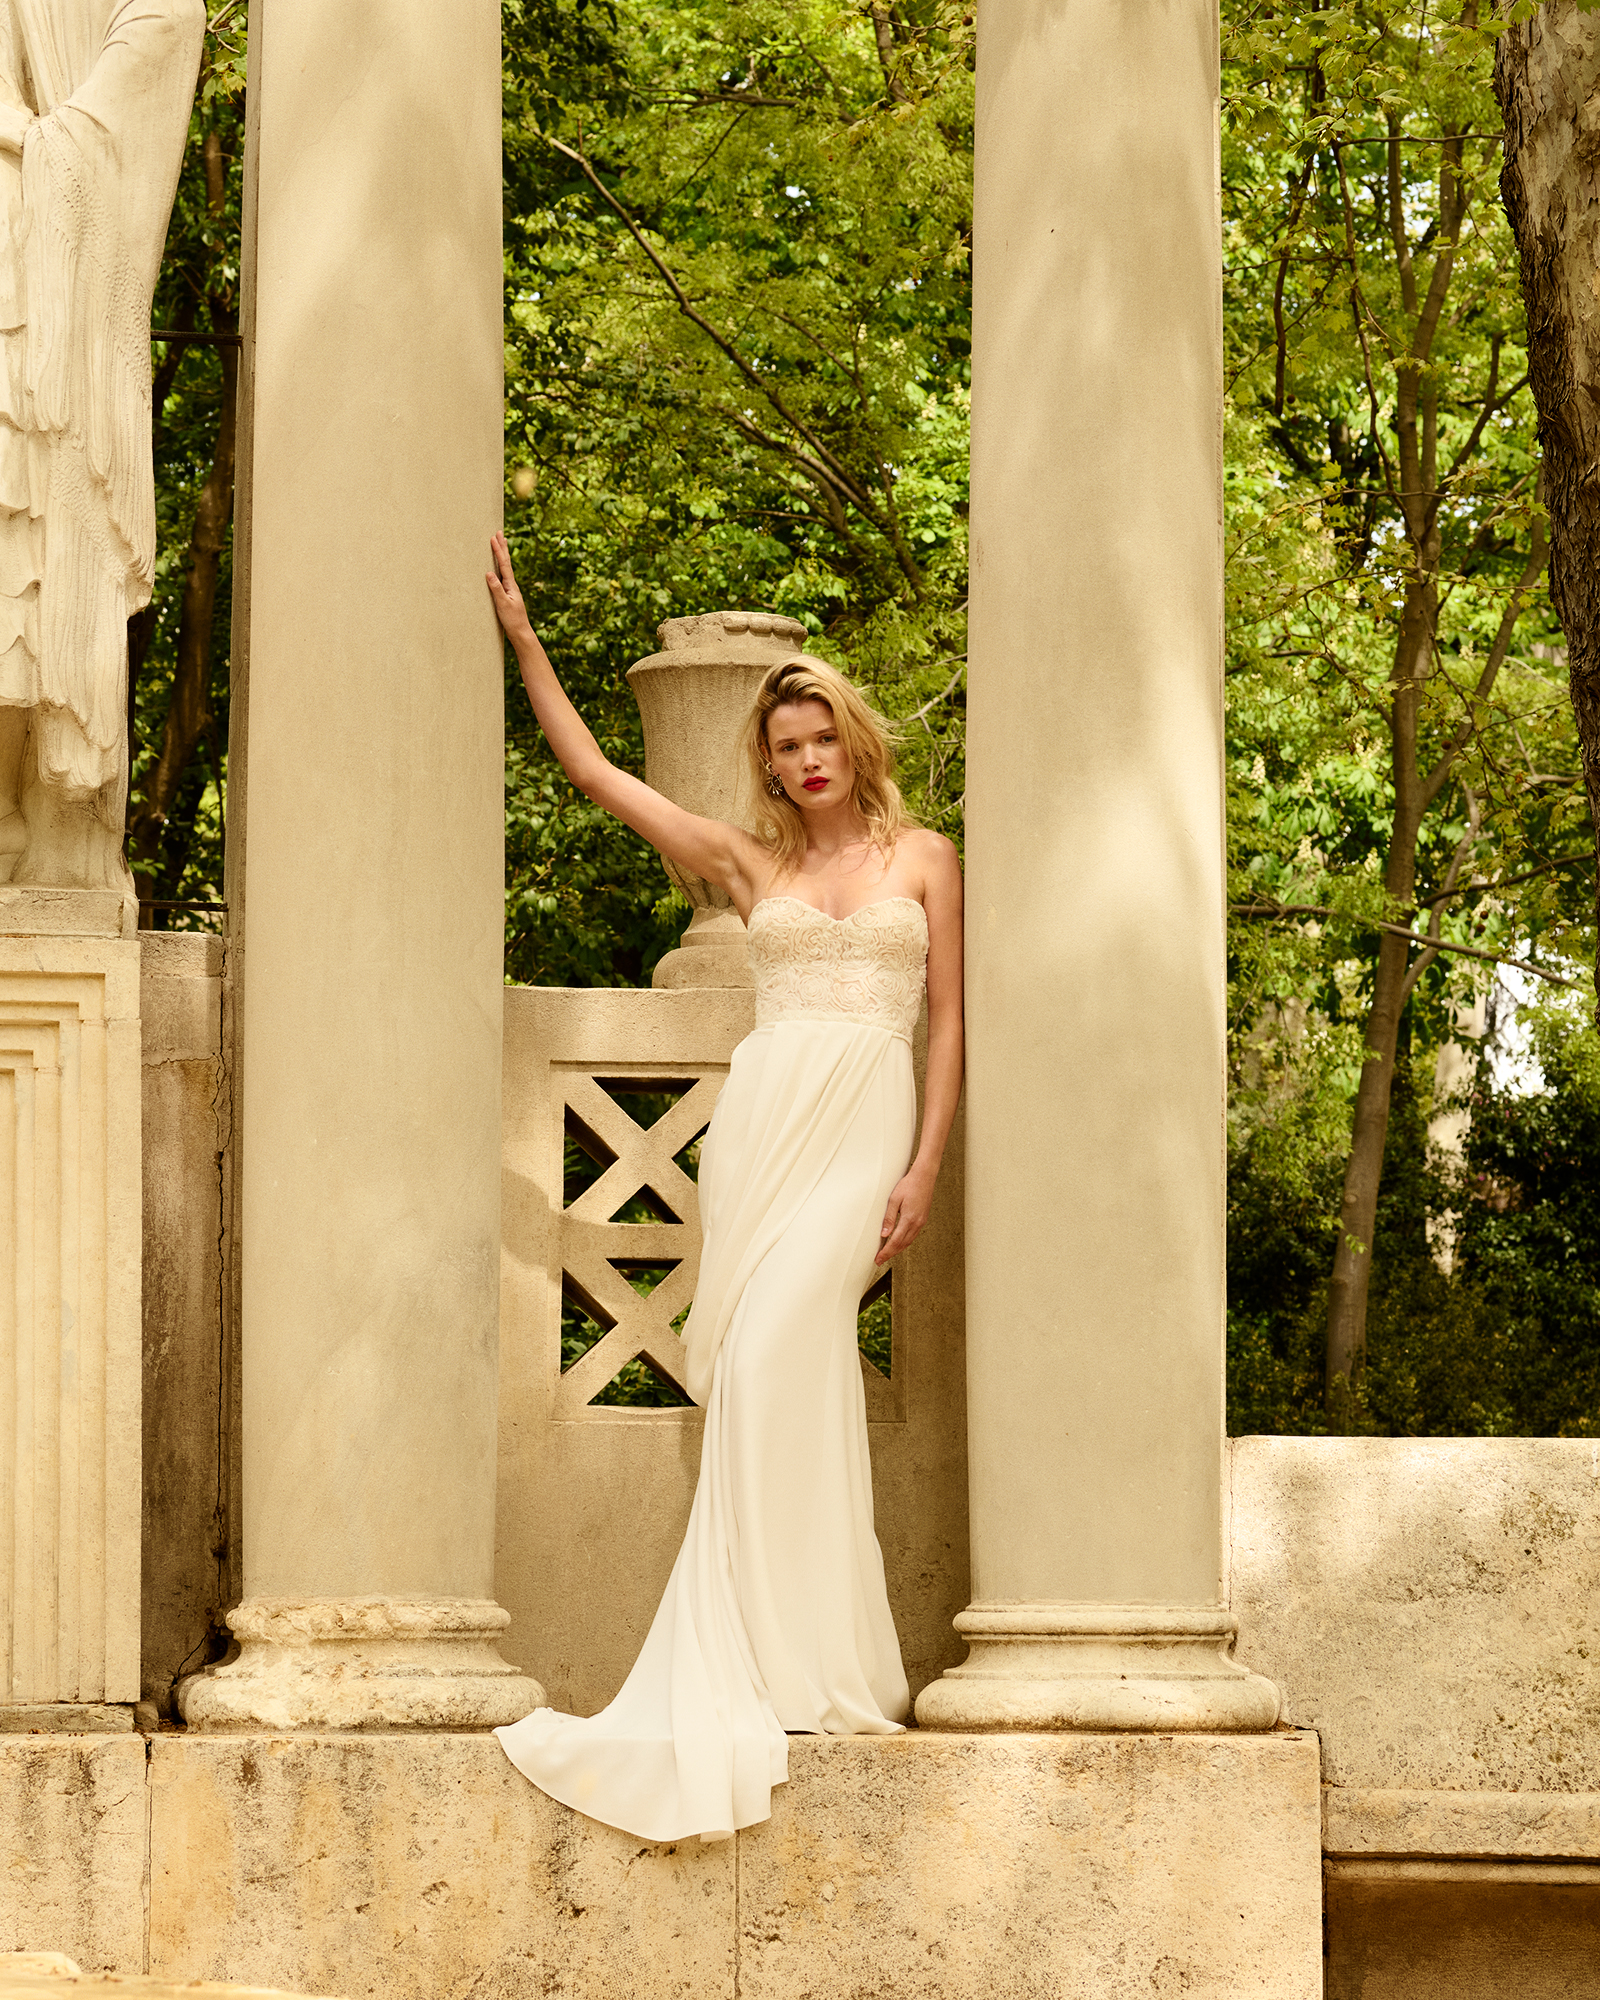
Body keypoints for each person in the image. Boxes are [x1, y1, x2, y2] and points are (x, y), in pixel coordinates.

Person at [485, 532, 964, 1843]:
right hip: (762, 1129)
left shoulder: (925, 859)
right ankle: (784, 1669)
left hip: (861, 1126)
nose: (805, 761)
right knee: (763, 1371)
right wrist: (525, 638)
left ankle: (823, 1668)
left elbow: (953, 1023)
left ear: (853, 743)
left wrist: (923, 1163)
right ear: (768, 765)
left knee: (782, 1362)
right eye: (784, 748)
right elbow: (591, 773)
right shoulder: (753, 869)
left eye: (821, 739)